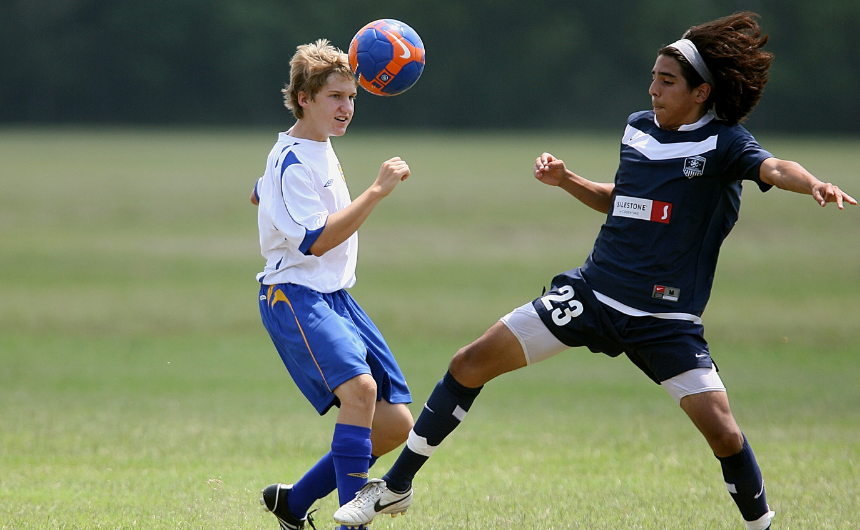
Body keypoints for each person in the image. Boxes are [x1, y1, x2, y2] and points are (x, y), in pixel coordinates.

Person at [333, 12, 856, 530]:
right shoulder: (638, 129)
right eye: (653, 77)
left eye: (667, 82)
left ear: (701, 93)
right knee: (469, 362)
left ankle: (761, 525)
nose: (653, 89)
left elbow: (775, 167)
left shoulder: (725, 144)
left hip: (663, 320)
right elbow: (626, 201)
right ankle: (395, 488)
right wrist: (566, 181)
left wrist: (811, 183)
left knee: (722, 432)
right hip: (592, 294)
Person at [252, 39, 414, 530]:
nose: (346, 108)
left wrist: (268, 196)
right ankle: (353, 525)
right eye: (335, 98)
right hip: (294, 295)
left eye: (351, 98)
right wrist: (377, 191)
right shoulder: (294, 159)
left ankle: (294, 502)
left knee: (394, 425)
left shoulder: (316, 148)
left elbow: (261, 193)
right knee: (360, 393)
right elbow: (316, 242)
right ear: (304, 97)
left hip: (336, 297)